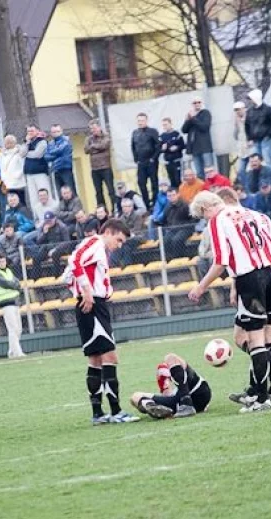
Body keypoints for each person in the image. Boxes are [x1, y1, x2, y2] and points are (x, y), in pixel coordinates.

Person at [188, 191, 271, 413]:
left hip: (250, 279)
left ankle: (262, 398)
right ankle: (260, 391)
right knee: (265, 336)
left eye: (203, 217)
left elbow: (220, 261)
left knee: (255, 340)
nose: (206, 221)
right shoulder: (257, 214)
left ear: (206, 209)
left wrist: (201, 287)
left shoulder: (218, 220)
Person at [62, 219, 138, 425]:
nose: (119, 245)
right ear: (109, 232)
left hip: (93, 303)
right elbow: (74, 261)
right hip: (93, 305)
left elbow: (68, 275)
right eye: (119, 240)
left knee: (95, 360)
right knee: (110, 356)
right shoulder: (95, 243)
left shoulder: (99, 249)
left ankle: (98, 413)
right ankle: (116, 411)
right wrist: (86, 291)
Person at [130, 354, 211, 420]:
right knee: (135, 396)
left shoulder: (183, 381)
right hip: (186, 401)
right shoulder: (179, 385)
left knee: (170, 358)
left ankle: (186, 404)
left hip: (191, 394)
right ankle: (150, 405)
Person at [0, 252, 25, 358]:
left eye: (3, 261)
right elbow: (7, 284)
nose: (1, 263)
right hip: (6, 303)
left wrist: (15, 285)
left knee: (18, 329)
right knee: (13, 328)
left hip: (14, 302)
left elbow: (16, 282)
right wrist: (15, 285)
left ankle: (12, 352)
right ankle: (18, 353)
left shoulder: (8, 271)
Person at [131, 113, 160, 210]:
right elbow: (133, 147)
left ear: (146, 121)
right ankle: (146, 204)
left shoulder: (152, 131)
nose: (140, 123)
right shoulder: (135, 133)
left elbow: (158, 145)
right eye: (139, 121)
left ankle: (155, 202)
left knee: (154, 183)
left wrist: (153, 158)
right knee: (141, 183)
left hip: (151, 161)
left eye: (142, 120)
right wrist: (136, 159)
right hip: (141, 162)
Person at [22, 125, 52, 219]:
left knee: (44, 196)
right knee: (33, 198)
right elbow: (21, 153)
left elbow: (38, 154)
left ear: (37, 131)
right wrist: (27, 143)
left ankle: (48, 216)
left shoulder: (42, 141)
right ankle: (37, 218)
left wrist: (27, 153)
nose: (30, 133)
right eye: (28, 131)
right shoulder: (27, 142)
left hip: (40, 173)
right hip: (29, 174)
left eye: (32, 130)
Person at [84, 120, 114, 207]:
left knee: (111, 190)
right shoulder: (88, 139)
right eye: (91, 129)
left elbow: (104, 145)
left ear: (99, 127)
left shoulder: (106, 136)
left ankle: (115, 208)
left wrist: (93, 146)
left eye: (94, 128)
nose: (93, 130)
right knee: (98, 192)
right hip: (94, 169)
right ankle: (102, 210)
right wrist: (97, 148)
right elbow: (86, 150)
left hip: (106, 167)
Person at [182, 97, 214, 177]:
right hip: (194, 149)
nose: (197, 104)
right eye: (195, 103)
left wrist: (193, 118)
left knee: (209, 171)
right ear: (192, 105)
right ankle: (202, 188)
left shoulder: (205, 113)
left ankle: (212, 188)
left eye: (198, 102)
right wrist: (187, 120)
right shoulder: (191, 116)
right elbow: (184, 130)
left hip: (205, 148)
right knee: (199, 172)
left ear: (201, 103)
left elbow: (205, 127)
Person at [245, 89, 271, 165]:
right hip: (255, 141)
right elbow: (247, 126)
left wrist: (269, 135)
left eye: (251, 99)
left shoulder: (268, 109)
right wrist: (249, 139)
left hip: (266, 139)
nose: (250, 101)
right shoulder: (249, 111)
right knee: (256, 161)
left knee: (268, 160)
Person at [45, 124, 76, 194]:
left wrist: (53, 153)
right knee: (60, 193)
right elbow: (46, 157)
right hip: (56, 169)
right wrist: (58, 155)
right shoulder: (50, 143)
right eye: (54, 132)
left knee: (71, 192)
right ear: (51, 133)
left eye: (57, 131)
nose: (56, 133)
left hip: (65, 169)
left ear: (61, 131)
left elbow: (61, 150)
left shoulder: (67, 140)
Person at [0, 134, 26, 206]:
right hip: (8, 183)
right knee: (11, 202)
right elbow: (1, 167)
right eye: (6, 142)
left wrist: (17, 175)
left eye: (9, 142)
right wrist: (3, 178)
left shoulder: (19, 152)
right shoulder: (2, 154)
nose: (7, 144)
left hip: (18, 183)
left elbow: (23, 165)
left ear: (14, 143)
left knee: (21, 202)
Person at [159, 117, 185, 187]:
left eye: (166, 124)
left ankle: (181, 195)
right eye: (163, 125)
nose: (165, 126)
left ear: (170, 124)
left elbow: (183, 145)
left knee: (178, 179)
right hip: (168, 162)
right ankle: (174, 195)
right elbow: (159, 149)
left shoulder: (177, 134)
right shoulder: (162, 136)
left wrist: (177, 147)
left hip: (177, 160)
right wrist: (162, 149)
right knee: (172, 180)